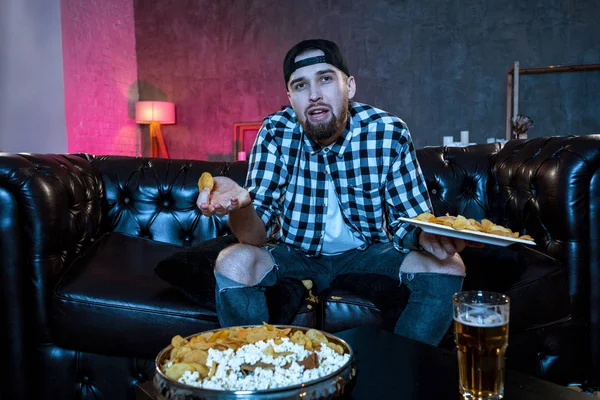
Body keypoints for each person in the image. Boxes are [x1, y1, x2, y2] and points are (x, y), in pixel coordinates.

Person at [197, 39, 477, 346]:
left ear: (350, 86)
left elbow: (409, 220)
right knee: (232, 261)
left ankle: (401, 371)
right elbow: (253, 238)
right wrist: (242, 204)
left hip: (368, 252)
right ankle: (258, 376)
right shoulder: (275, 132)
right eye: (301, 85)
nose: (314, 95)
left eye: (325, 79)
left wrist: (426, 236)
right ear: (290, 97)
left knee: (449, 266)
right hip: (295, 253)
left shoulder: (388, 131)